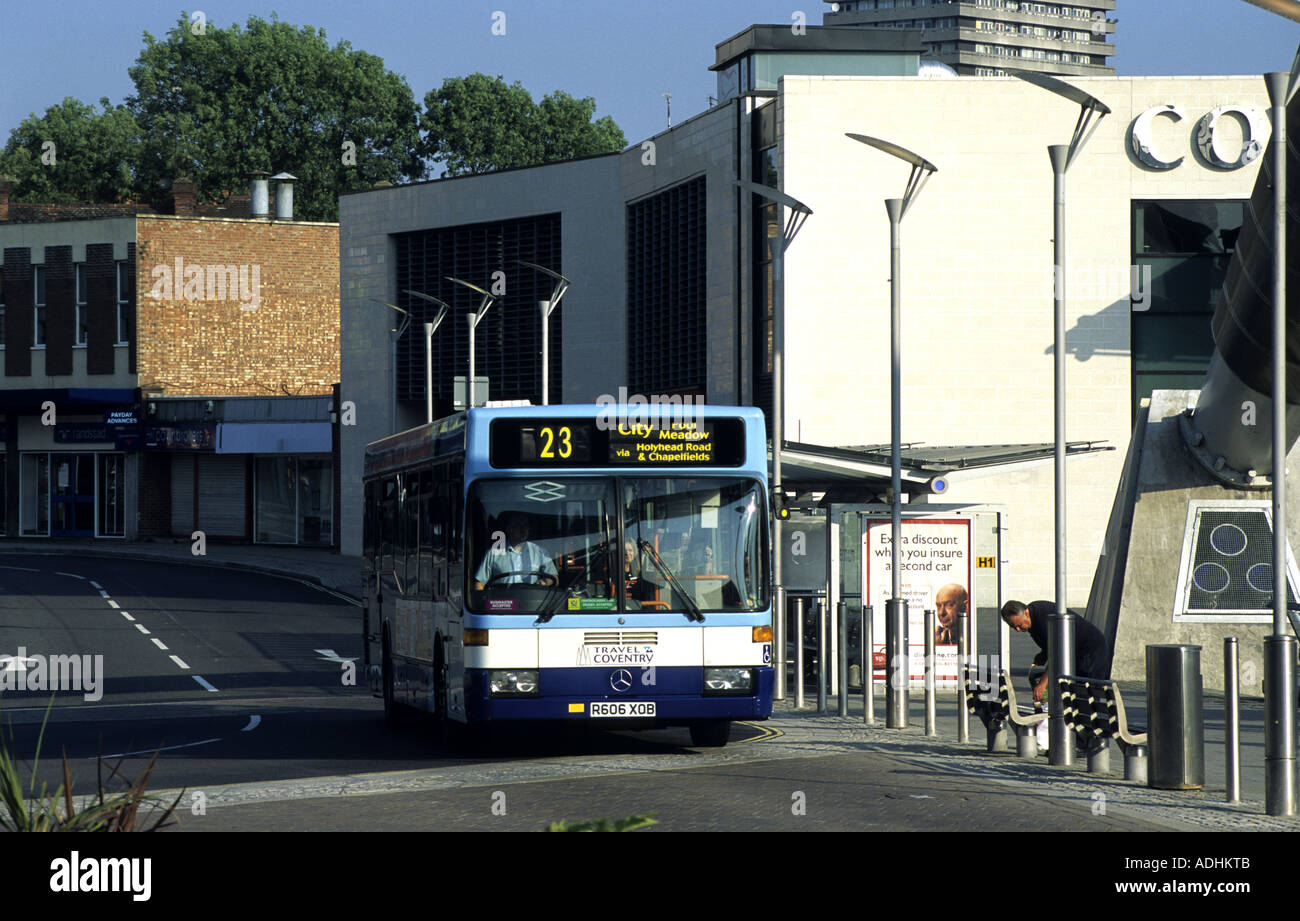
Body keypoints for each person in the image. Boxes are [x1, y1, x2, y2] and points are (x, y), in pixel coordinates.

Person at [1000, 599, 1108, 704]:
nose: (1018, 630)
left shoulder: (1042, 618)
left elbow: (1057, 653)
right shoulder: (1032, 617)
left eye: (1019, 625)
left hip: (1090, 648)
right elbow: (1052, 644)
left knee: (1086, 693)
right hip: (1075, 649)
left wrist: (1043, 683)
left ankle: (1087, 719)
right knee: (1075, 692)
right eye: (1014, 627)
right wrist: (1043, 654)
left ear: (1026, 613)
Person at [472, 512, 557, 591]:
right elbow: (479, 584)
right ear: (509, 529)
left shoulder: (540, 552)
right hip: (502, 603)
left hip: (531, 603)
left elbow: (554, 578)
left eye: (525, 526)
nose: (523, 530)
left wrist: (545, 582)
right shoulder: (494, 552)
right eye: (518, 526)